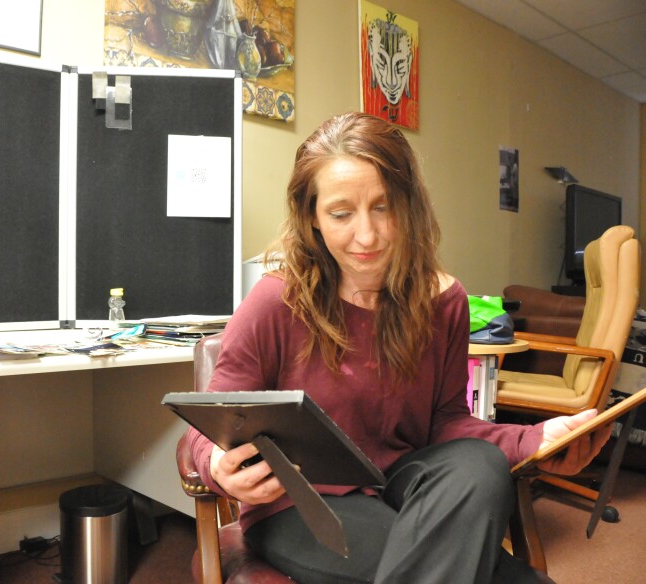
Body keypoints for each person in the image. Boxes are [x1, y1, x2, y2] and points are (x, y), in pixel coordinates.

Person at [185, 111, 611, 584]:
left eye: (383, 207)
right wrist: (217, 466)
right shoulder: (275, 300)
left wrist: (534, 439)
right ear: (312, 217)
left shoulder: (444, 301)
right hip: (303, 502)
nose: (366, 236)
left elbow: (447, 423)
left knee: (481, 464)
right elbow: (212, 418)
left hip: (404, 482)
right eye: (341, 213)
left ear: (408, 205)